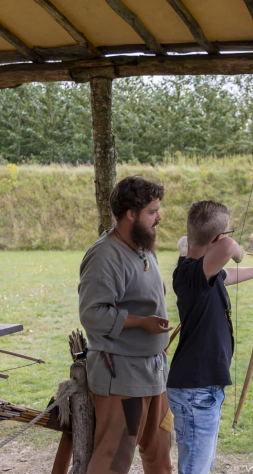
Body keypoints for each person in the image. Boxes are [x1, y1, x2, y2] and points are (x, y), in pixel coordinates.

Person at [168, 200, 253, 474]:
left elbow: (225, 275)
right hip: (196, 391)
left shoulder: (199, 272)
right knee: (195, 469)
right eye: (229, 232)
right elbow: (229, 251)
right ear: (218, 239)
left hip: (200, 388)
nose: (231, 238)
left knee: (199, 466)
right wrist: (239, 250)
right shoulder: (192, 273)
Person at [78, 176, 174, 474]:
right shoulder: (105, 256)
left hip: (155, 372)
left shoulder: (143, 246)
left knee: (160, 453)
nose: (159, 216)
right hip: (123, 377)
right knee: (114, 460)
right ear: (131, 214)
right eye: (152, 211)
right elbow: (93, 315)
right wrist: (141, 323)